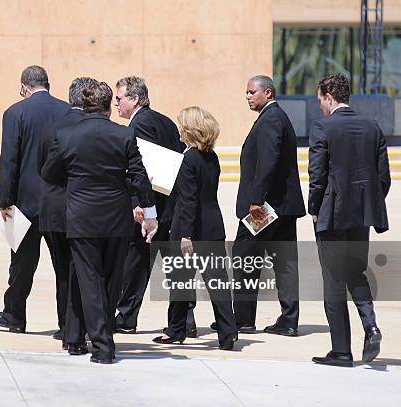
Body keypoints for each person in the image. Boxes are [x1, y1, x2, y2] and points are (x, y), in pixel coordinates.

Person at [41, 81, 158, 364]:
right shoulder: (125, 134)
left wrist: (76, 182)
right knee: (112, 282)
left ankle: (100, 344)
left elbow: (49, 173)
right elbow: (140, 176)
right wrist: (151, 215)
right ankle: (101, 339)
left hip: (81, 218)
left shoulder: (66, 135)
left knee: (89, 280)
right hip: (116, 218)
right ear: (107, 107)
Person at [309, 74, 390, 367]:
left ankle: (341, 350)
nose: (320, 106)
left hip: (332, 214)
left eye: (320, 100)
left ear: (329, 96)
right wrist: (367, 205)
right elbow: (383, 178)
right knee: (356, 272)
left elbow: (317, 176)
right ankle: (371, 326)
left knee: (332, 281)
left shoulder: (323, 127)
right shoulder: (373, 126)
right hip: (361, 216)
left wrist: (314, 209)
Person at [113, 76, 195, 336]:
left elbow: (143, 169)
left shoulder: (141, 124)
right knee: (174, 267)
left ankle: (126, 318)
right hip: (171, 206)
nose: (116, 104)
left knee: (136, 264)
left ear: (134, 99)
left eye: (119, 98)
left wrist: (142, 206)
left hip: (154, 209)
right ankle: (185, 321)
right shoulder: (164, 121)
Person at [0, 66, 69, 334]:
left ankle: (14, 316)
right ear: (48, 84)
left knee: (21, 264)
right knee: (65, 266)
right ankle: (67, 323)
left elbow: (10, 159)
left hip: (24, 203)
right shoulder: (67, 110)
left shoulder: (15, 112)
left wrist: (5, 199)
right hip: (60, 201)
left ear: (24, 86)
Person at [152, 106, 237, 350]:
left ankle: (175, 329)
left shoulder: (188, 158)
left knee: (180, 282)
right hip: (213, 225)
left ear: (190, 129)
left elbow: (188, 200)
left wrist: (186, 235)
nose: (179, 129)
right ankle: (228, 331)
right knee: (217, 282)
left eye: (182, 125)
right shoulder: (212, 156)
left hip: (189, 229)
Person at [228, 75, 305, 336]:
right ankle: (289, 320)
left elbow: (268, 161)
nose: (248, 97)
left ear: (268, 93)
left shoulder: (271, 119)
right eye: (246, 92)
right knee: (284, 264)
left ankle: (243, 319)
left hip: (266, 209)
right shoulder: (276, 117)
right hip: (283, 207)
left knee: (245, 257)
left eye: (252, 92)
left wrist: (256, 200)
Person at [37, 76, 98, 348]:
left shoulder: (52, 128)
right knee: (85, 271)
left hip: (55, 209)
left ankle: (66, 326)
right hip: (85, 209)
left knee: (62, 271)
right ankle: (84, 326)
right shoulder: (95, 128)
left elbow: (44, 168)